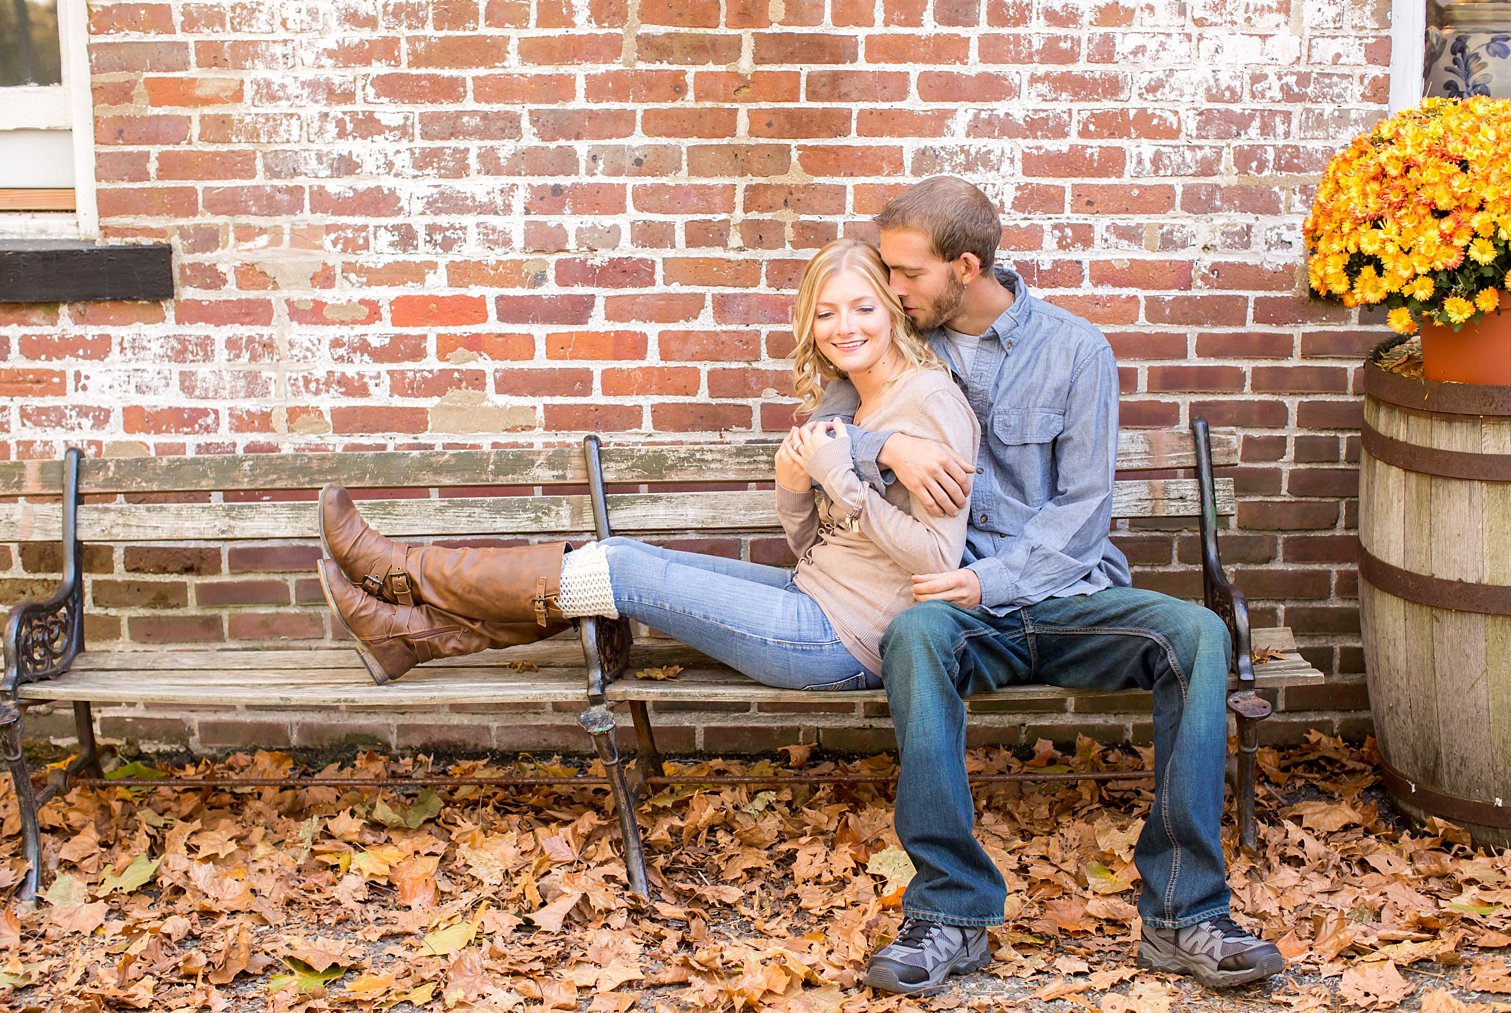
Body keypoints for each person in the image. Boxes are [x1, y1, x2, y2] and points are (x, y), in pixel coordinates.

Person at [806, 178, 1283, 994]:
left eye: (906, 273)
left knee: (1199, 634)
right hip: (954, 615)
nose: (890, 289)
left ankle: (1185, 913)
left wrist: (988, 580)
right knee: (914, 635)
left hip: (1066, 598)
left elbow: (1083, 515)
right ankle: (948, 913)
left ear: (966, 265)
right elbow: (824, 440)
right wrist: (886, 446)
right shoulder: (895, 343)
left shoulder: (1074, 351)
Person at [314, 238, 980, 698]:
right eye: (827, 312)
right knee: (617, 555)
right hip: (809, 597)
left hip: (841, 644)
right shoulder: (856, 400)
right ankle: (408, 636)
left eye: (863, 307)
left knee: (622, 573)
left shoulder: (930, 403)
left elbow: (936, 563)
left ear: (892, 311)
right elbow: (813, 548)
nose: (845, 326)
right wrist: (794, 485)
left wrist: (841, 478)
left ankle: (401, 572)